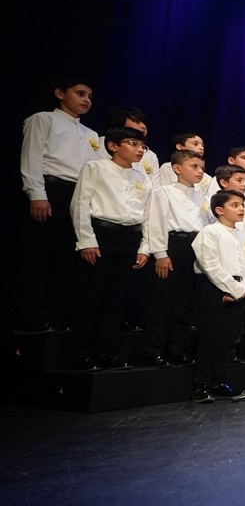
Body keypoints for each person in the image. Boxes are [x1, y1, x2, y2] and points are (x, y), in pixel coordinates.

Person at [19, 78, 104, 333]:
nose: (86, 99)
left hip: (77, 194)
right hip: (51, 188)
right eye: (80, 93)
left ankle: (55, 316)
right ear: (60, 93)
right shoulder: (43, 119)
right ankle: (30, 316)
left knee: (66, 259)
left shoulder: (90, 135)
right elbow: (31, 157)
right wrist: (37, 193)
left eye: (89, 95)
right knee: (39, 256)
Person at [68, 126, 152, 370]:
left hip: (129, 238)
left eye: (142, 146)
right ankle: (81, 353)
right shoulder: (96, 168)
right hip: (101, 234)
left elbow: (146, 215)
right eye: (133, 144)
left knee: (116, 299)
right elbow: (81, 204)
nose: (139, 150)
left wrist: (144, 247)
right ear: (114, 145)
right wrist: (87, 240)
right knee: (90, 296)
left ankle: (106, 353)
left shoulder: (143, 178)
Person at [142, 149, 211, 367]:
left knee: (185, 302)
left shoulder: (202, 196)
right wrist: (161, 254)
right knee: (163, 301)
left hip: (195, 247)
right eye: (194, 167)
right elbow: (156, 222)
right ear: (177, 168)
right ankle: (153, 350)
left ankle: (177, 349)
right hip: (173, 245)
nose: (200, 172)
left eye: (201, 167)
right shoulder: (164, 192)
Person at [191, 189, 245, 402]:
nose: (241, 209)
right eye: (235, 205)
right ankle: (201, 385)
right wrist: (232, 289)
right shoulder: (210, 232)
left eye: (242, 205)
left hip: (239, 288)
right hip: (214, 288)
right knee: (210, 338)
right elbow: (210, 265)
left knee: (228, 340)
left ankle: (219, 380)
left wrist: (243, 288)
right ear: (220, 210)